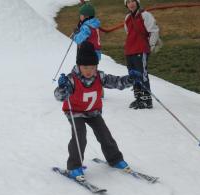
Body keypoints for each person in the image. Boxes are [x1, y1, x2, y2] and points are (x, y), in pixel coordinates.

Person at [54, 41, 141, 181]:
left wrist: (131, 79)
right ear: (79, 66)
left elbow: (116, 82)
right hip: (75, 112)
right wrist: (62, 88)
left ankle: (115, 159)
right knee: (80, 136)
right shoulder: (71, 79)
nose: (89, 71)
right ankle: (74, 167)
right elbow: (58, 97)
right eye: (85, 67)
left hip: (93, 112)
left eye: (93, 67)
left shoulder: (100, 77)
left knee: (104, 134)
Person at [124, 0, 160, 109]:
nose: (131, 4)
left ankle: (146, 100)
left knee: (142, 74)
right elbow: (128, 32)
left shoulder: (145, 15)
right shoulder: (127, 18)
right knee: (133, 74)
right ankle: (138, 97)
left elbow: (154, 31)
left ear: (137, 2)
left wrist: (151, 45)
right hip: (129, 50)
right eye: (128, 2)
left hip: (141, 49)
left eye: (133, 1)